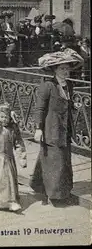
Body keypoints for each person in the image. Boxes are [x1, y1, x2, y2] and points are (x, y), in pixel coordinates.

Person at [30, 48, 84, 206]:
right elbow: (39, 108)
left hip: (65, 129)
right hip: (51, 129)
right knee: (54, 161)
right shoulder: (47, 86)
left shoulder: (69, 85)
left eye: (67, 68)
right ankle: (55, 197)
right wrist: (38, 128)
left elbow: (67, 103)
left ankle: (53, 190)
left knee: (61, 160)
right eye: (62, 68)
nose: (66, 71)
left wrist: (74, 105)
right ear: (55, 70)